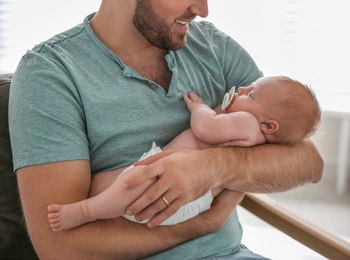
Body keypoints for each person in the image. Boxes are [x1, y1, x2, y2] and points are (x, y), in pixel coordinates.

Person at [9, 1, 323, 259]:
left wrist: (213, 168)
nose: (202, 9)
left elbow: (309, 162)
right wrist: (203, 223)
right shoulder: (50, 73)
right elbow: (60, 247)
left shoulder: (212, 47)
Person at [47, 75, 321, 232]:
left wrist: (200, 108)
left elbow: (206, 129)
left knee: (126, 187)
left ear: (269, 125)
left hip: (177, 188)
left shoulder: (247, 123)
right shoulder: (256, 131)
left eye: (251, 95)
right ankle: (98, 204)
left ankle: (85, 211)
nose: (240, 90)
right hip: (185, 195)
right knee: (107, 186)